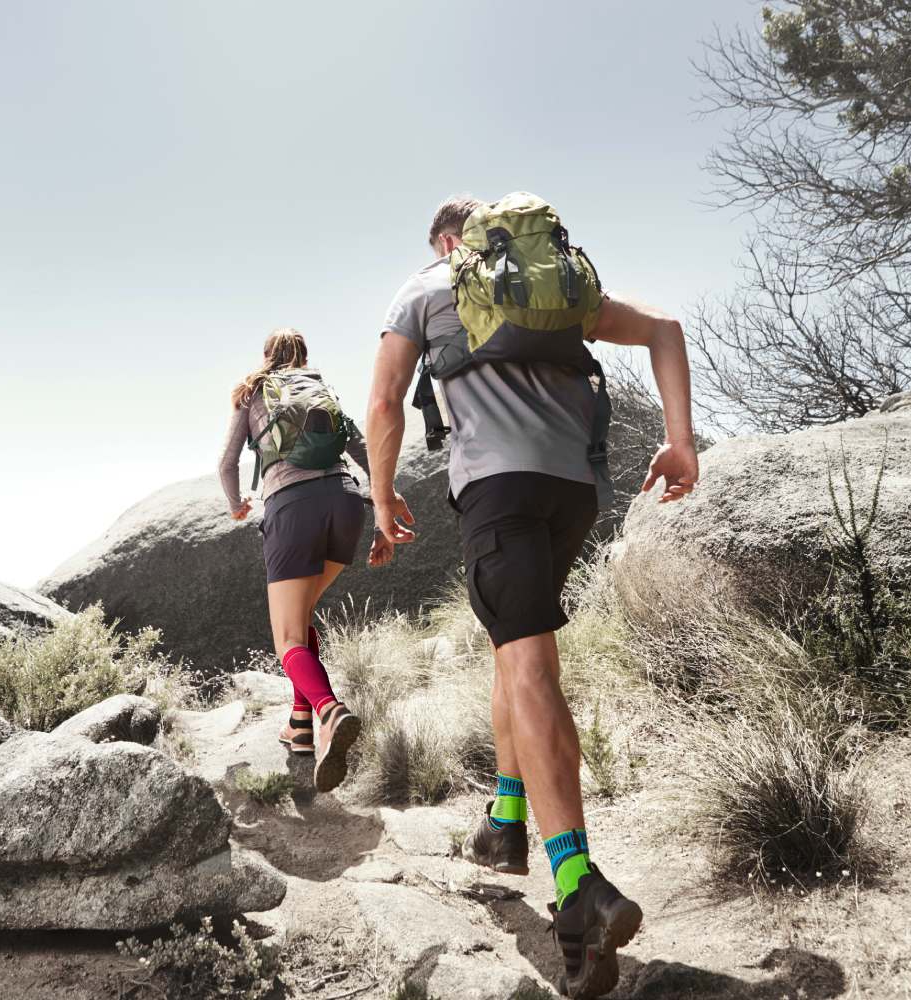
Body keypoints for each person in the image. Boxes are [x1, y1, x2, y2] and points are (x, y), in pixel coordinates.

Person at [365, 197, 699, 998]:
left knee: (532, 671)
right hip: (572, 492)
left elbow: (381, 402)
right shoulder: (561, 287)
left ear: (449, 241)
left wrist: (380, 496)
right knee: (510, 654)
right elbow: (665, 330)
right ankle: (507, 822)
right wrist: (680, 439)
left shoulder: (426, 285)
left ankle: (578, 882)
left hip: (499, 491)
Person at [219, 327, 368, 793]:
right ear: (304, 357)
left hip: (293, 508)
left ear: (267, 356)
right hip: (346, 505)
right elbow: (363, 448)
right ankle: (299, 725)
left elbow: (226, 463)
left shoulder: (253, 392)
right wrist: (386, 501)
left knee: (287, 639)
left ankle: (328, 711)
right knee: (301, 619)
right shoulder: (321, 390)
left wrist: (236, 504)